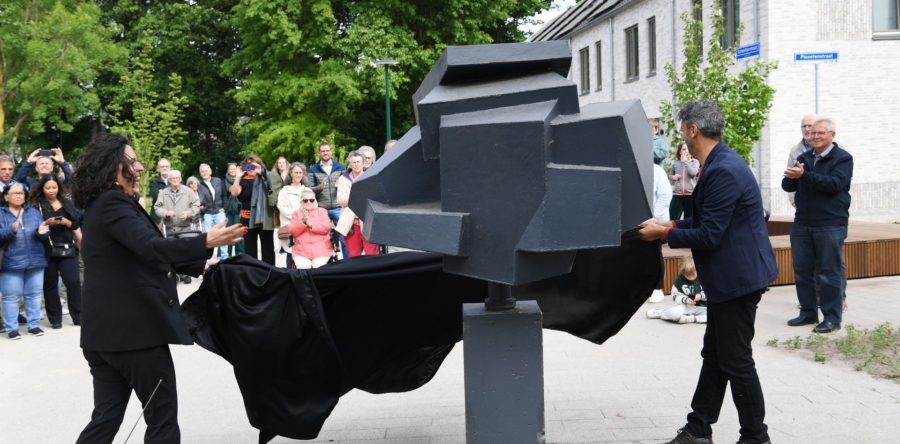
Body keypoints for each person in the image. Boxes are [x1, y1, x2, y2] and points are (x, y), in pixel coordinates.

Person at [71, 132, 243, 444]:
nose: (139, 168)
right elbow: (152, 247)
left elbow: (139, 254)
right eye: (132, 161)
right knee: (162, 419)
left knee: (105, 419)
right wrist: (205, 241)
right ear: (113, 166)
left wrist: (202, 262)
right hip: (134, 336)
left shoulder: (101, 205)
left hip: (105, 338)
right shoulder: (112, 203)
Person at [639, 101, 777, 444]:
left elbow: (709, 235)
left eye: (682, 128)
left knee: (736, 360)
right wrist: (670, 224)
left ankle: (756, 437)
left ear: (693, 129)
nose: (681, 134)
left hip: (738, 280)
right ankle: (698, 429)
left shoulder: (723, 169)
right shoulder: (718, 162)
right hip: (730, 278)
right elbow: (706, 221)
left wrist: (663, 234)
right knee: (716, 356)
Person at [782, 117, 853, 334]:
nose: (815, 136)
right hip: (802, 223)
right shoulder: (803, 157)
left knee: (829, 272)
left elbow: (834, 184)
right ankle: (808, 312)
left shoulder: (842, 158)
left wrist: (805, 175)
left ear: (832, 135)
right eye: (812, 133)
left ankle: (832, 318)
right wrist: (792, 177)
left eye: (821, 133)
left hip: (830, 224)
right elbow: (788, 186)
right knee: (802, 271)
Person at [29, 175, 82, 329]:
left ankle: (78, 316)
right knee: (50, 284)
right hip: (47, 247)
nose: (51, 190)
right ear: (42, 188)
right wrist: (46, 223)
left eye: (54, 187)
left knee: (73, 281)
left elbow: (76, 223)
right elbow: (33, 226)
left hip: (67, 246)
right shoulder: (37, 205)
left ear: (58, 187)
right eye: (48, 188)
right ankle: (55, 319)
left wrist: (67, 222)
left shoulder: (66, 203)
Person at [0, 183, 50, 340]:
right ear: (6, 197)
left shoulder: (33, 212)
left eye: (21, 193)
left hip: (35, 259)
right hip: (11, 262)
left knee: (34, 294)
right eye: (14, 193)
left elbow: (43, 233)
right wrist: (10, 230)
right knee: (11, 297)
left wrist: (42, 233)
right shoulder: (1, 214)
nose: (18, 196)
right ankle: (12, 328)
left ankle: (33, 325)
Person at [229, 155, 276, 265]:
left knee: (268, 248)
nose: (251, 169)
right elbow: (234, 193)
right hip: (247, 219)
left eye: (253, 166)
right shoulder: (242, 181)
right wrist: (238, 177)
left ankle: (269, 271)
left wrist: (261, 173)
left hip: (264, 218)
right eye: (248, 166)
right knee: (250, 250)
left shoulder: (266, 179)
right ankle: (253, 272)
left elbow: (273, 190)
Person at [336, 151, 379, 257]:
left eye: (358, 162)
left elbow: (374, 198)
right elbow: (341, 201)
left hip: (368, 221)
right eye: (354, 162)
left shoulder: (370, 177)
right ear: (350, 164)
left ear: (363, 163)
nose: (356, 164)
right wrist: (354, 190)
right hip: (351, 223)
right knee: (354, 255)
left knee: (372, 253)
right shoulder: (343, 179)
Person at [307, 142, 347, 257]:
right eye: (323, 151)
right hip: (322, 209)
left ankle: (348, 263)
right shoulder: (313, 170)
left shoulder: (341, 167)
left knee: (344, 238)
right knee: (324, 239)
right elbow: (309, 190)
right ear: (319, 153)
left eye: (327, 150)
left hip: (339, 207)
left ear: (331, 151)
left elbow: (347, 186)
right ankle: (328, 262)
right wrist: (320, 187)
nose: (325, 153)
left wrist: (340, 186)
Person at [647, 256, 707, 324]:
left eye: (693, 275)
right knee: (674, 313)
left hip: (704, 308)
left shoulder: (704, 276)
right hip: (687, 306)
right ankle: (662, 313)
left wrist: (702, 296)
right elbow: (675, 296)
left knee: (714, 317)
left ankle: (692, 319)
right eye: (687, 276)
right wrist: (685, 299)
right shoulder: (680, 279)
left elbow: (713, 294)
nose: (691, 278)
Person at [287, 189, 333, 268]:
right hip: (301, 252)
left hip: (321, 251)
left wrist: (311, 225)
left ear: (315, 201)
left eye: (311, 200)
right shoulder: (296, 214)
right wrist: (303, 222)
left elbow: (326, 227)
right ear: (301, 202)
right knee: (303, 271)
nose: (309, 202)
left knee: (318, 270)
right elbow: (292, 230)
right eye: (305, 200)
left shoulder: (322, 211)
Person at [276, 162, 311, 265]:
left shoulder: (307, 190)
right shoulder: (284, 191)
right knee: (291, 256)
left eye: (300, 172)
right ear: (291, 173)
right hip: (290, 228)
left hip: (305, 228)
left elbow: (314, 207)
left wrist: (305, 218)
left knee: (305, 256)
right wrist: (300, 215)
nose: (298, 175)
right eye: (296, 172)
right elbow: (282, 208)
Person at [647, 163, 672, 303]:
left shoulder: (656, 170)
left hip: (656, 222)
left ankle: (658, 289)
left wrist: (654, 217)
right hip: (634, 222)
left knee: (654, 254)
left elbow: (665, 195)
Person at [154, 170, 201, 235]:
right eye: (173, 178)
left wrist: (188, 213)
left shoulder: (188, 191)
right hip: (169, 230)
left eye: (177, 178)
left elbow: (196, 205)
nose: (175, 180)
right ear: (169, 180)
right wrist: (165, 213)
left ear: (180, 179)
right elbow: (157, 207)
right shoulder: (163, 193)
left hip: (186, 229)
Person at [198, 163, 229, 259]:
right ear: (200, 173)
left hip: (219, 211)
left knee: (223, 234)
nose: (204, 173)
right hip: (207, 213)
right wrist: (201, 208)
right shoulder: (198, 184)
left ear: (210, 172)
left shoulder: (218, 181)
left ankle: (225, 256)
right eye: (202, 171)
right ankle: (209, 257)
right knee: (207, 236)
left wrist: (224, 207)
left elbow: (224, 195)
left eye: (206, 171)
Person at [669, 141, 699, 220]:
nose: (686, 151)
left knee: (689, 218)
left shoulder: (695, 162)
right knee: (673, 217)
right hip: (677, 193)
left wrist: (685, 162)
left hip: (690, 193)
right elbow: (670, 175)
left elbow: (693, 173)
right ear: (680, 151)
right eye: (684, 149)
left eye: (688, 148)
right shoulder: (676, 163)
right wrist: (673, 177)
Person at [224, 163, 244, 256]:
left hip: (240, 207)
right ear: (228, 171)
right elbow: (233, 191)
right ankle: (226, 253)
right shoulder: (224, 181)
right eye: (231, 169)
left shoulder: (242, 180)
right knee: (228, 230)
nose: (233, 170)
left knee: (239, 229)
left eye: (234, 169)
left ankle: (239, 251)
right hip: (229, 208)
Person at [149, 158, 171, 226]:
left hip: (174, 215)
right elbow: (156, 196)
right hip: (159, 217)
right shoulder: (154, 182)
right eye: (162, 166)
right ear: (158, 168)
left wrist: (162, 192)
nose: (164, 168)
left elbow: (180, 195)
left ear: (170, 168)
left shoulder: (176, 180)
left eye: (166, 166)